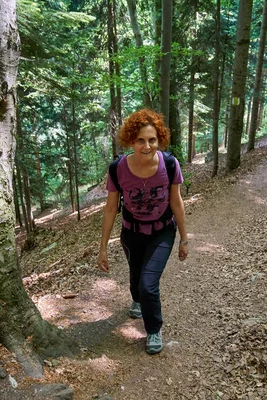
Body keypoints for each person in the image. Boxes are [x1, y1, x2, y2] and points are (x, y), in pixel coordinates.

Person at [97, 108, 189, 355]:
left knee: (149, 284)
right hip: (131, 232)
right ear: (131, 141)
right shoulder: (118, 169)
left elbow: (177, 202)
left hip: (162, 231)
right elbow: (110, 208)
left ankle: (153, 329)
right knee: (136, 276)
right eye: (140, 140)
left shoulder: (169, 165)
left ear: (159, 140)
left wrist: (184, 238)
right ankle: (136, 299)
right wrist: (103, 247)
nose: (146, 146)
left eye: (152, 140)